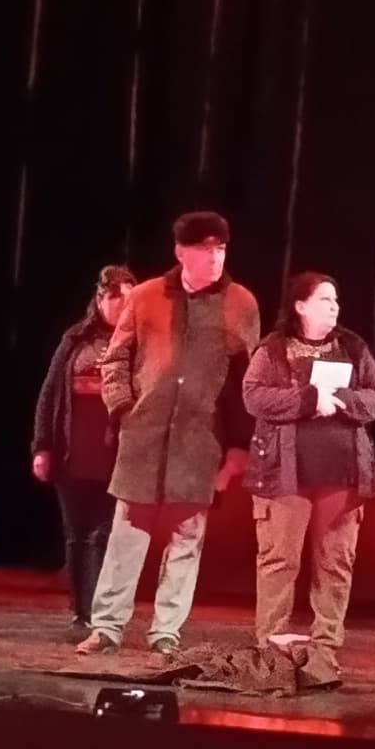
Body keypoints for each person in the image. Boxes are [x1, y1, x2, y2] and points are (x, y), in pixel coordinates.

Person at [80, 211, 261, 661]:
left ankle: (167, 631)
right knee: (127, 534)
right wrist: (123, 407)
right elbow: (115, 359)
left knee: (186, 538)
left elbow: (247, 379)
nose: (215, 258)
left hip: (200, 441)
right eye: (205, 249)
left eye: (221, 249)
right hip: (144, 436)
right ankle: (107, 626)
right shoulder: (146, 296)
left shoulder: (240, 303)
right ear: (181, 252)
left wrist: (239, 445)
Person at [240, 271, 375, 692]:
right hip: (285, 477)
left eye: (336, 300)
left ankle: (325, 651)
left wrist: (342, 399)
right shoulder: (274, 349)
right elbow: (253, 396)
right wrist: (309, 399)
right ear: (301, 306)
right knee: (279, 562)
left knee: (335, 565)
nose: (334, 306)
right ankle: (272, 650)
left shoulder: (353, 347)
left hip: (341, 477)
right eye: (325, 299)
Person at [30, 266, 137, 638]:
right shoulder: (75, 339)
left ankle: (104, 612)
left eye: (128, 298)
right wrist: (42, 446)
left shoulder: (141, 341)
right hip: (73, 453)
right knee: (77, 534)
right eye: (114, 297)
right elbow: (49, 394)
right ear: (100, 299)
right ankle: (82, 612)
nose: (121, 305)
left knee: (108, 535)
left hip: (117, 455)